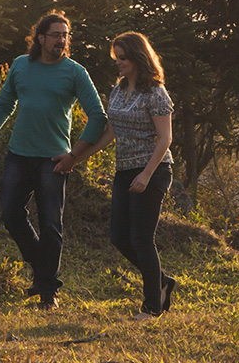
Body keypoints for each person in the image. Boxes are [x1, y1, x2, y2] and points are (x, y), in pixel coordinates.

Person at [0, 11, 107, 310]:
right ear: (41, 38)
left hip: (54, 159)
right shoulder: (22, 65)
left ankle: (48, 292)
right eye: (56, 34)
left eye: (66, 35)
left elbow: (98, 116)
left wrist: (74, 155)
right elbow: (5, 102)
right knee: (10, 214)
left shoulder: (75, 72)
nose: (62, 40)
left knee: (50, 224)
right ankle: (42, 267)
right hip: (19, 154)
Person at [72, 31, 176, 320]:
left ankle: (152, 307)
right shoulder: (118, 90)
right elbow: (111, 133)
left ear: (138, 57)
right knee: (119, 236)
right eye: (116, 57)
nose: (119, 62)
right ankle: (163, 283)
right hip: (123, 170)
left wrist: (146, 175)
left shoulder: (155, 92)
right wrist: (76, 158)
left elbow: (165, 138)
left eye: (123, 57)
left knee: (142, 238)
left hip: (152, 171)